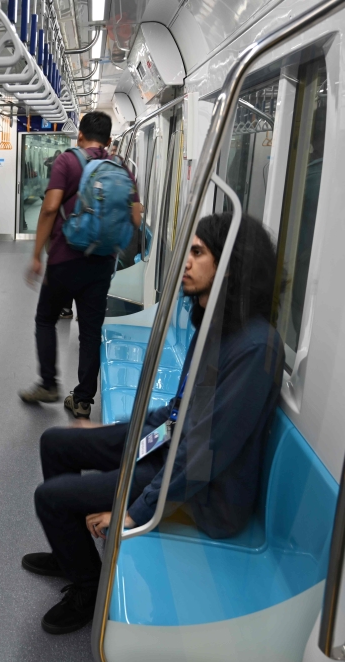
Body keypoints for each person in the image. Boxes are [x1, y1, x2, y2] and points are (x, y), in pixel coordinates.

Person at [22, 213, 285, 635]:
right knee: (57, 442)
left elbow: (204, 455)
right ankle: (70, 549)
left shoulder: (255, 348)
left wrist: (133, 513)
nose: (187, 262)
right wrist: (120, 435)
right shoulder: (216, 329)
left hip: (206, 494)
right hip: (176, 451)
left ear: (231, 265)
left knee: (49, 497)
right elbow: (179, 411)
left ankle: (89, 588)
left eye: (198, 253)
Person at [19, 112, 143, 419]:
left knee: (46, 318)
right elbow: (137, 217)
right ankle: (83, 400)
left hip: (64, 259)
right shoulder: (122, 168)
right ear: (110, 141)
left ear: (80, 137)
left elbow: (49, 208)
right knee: (90, 330)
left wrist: (37, 255)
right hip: (101, 264)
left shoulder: (67, 162)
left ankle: (48, 383)